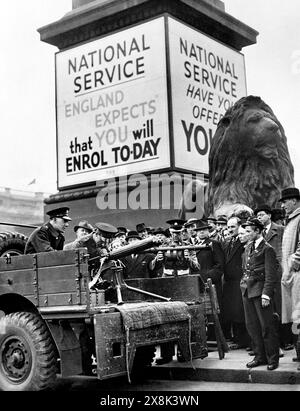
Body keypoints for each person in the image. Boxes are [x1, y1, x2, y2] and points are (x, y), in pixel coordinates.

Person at [240, 218, 280, 371]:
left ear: (257, 231)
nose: (247, 234)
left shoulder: (267, 248)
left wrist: (266, 295)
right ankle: (259, 356)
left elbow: (271, 275)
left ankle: (272, 358)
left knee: (267, 326)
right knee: (252, 326)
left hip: (260, 292)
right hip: (247, 291)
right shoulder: (248, 247)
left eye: (249, 231)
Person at [255, 204, 293, 351]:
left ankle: (286, 340)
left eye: (262, 215)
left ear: (269, 216)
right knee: (268, 309)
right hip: (264, 274)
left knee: (281, 305)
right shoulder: (257, 233)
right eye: (257, 216)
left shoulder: (280, 230)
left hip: (279, 272)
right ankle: (273, 342)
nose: (259, 218)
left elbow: (287, 249)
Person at [221, 216, 250, 349]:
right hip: (229, 282)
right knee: (232, 312)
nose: (230, 229)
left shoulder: (244, 241)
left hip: (239, 281)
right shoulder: (227, 242)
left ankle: (244, 340)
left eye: (232, 227)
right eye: (228, 227)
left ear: (239, 226)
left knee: (240, 312)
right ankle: (237, 339)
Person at [279, 187, 300, 366]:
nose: (283, 205)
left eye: (285, 201)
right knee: (295, 315)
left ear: (294, 200)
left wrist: (292, 265)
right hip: (292, 275)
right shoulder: (292, 219)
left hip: (297, 275)